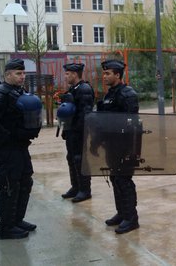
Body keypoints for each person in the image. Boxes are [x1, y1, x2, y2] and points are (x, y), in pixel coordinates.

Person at [0, 59, 42, 240]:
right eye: (18, 73)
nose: (22, 77)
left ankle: (16, 220)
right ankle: (6, 227)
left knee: (25, 181)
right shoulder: (0, 93)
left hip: (20, 145)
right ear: (7, 75)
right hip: (7, 148)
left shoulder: (18, 91)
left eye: (23, 73)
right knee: (8, 184)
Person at [93, 59, 140, 234]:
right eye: (104, 73)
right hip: (111, 145)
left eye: (108, 73)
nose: (104, 76)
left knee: (124, 181)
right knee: (115, 179)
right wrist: (96, 142)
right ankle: (122, 213)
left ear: (117, 75)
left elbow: (132, 124)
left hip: (125, 146)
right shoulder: (109, 95)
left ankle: (131, 218)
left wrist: (132, 150)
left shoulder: (127, 94)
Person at [60, 63, 95, 203]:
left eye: (68, 74)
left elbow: (85, 113)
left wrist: (79, 131)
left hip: (79, 131)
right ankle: (75, 187)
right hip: (71, 130)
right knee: (71, 158)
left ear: (75, 74)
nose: (66, 76)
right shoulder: (74, 89)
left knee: (80, 159)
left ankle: (85, 190)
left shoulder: (84, 89)